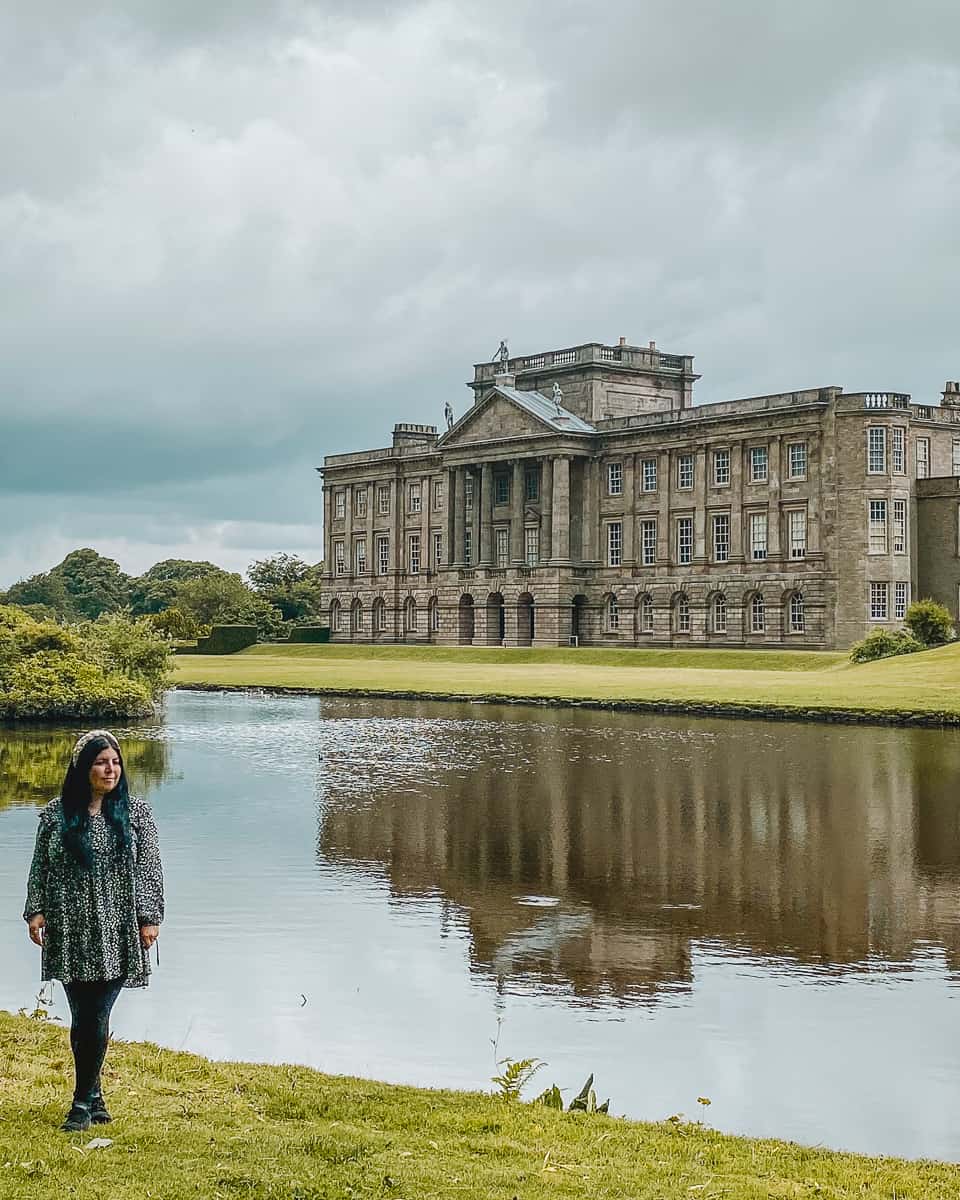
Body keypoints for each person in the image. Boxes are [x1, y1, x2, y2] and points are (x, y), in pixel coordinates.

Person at [23, 729, 164, 1132]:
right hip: (70, 928)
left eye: (116, 762)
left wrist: (149, 917)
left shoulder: (137, 814)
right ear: (83, 767)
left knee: (95, 1014)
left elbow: (150, 870)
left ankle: (81, 1104)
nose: (110, 769)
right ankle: (96, 1095)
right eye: (102, 762)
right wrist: (36, 910)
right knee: (83, 1014)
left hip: (117, 928)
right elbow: (40, 866)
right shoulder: (55, 814)